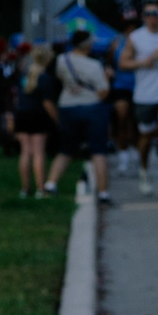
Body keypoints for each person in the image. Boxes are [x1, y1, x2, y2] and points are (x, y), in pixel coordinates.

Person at [45, 29, 114, 203]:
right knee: (98, 150)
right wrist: (107, 78)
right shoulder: (94, 65)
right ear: (88, 44)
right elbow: (103, 92)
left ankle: (50, 184)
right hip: (92, 108)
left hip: (68, 107)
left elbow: (61, 79)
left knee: (66, 149)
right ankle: (103, 193)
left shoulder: (62, 60)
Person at [123, 1, 158, 196]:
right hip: (144, 95)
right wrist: (144, 62)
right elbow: (123, 62)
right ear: (143, 17)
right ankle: (144, 172)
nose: (152, 16)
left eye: (156, 13)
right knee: (146, 137)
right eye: (148, 13)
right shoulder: (136, 37)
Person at [12, 44, 56, 197]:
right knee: (38, 152)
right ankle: (40, 188)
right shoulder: (44, 78)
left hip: (22, 114)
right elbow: (47, 102)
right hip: (38, 116)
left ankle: (25, 188)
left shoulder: (23, 75)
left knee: (25, 152)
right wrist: (57, 118)